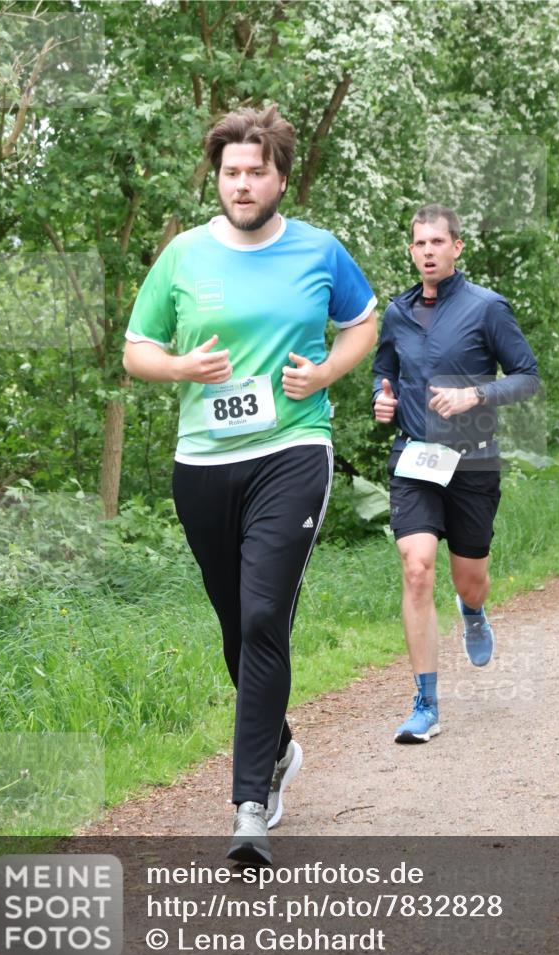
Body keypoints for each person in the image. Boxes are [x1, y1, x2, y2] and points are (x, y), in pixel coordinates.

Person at [123, 106, 377, 863]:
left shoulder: (319, 250)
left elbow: (362, 321)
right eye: (230, 172)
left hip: (292, 449)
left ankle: (248, 806)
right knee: (238, 630)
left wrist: (327, 371)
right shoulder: (183, 256)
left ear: (279, 177)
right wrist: (181, 368)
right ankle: (280, 746)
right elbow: (138, 349)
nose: (241, 183)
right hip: (203, 462)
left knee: (266, 613)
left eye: (255, 171)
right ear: (218, 176)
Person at [372, 204, 540, 745]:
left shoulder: (487, 308)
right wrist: (381, 396)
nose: (427, 252)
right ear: (411, 249)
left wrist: (476, 394)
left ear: (456, 248)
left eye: (437, 243)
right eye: (419, 243)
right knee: (417, 568)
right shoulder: (396, 313)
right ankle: (425, 703)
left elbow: (527, 377)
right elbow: (385, 369)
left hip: (473, 463)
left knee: (469, 578)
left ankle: (473, 611)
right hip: (415, 460)